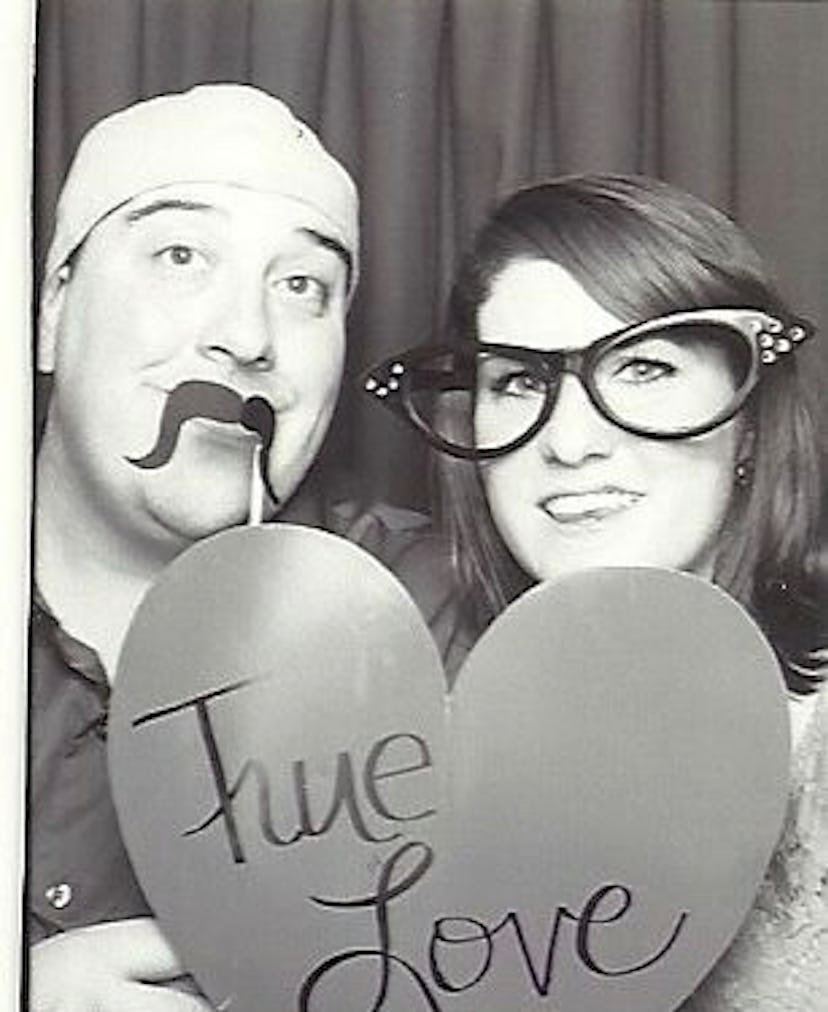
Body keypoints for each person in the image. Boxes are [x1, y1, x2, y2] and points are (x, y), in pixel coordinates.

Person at [362, 174, 828, 1007]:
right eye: (519, 383)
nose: (571, 443)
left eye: (644, 367)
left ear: (748, 419)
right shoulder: (413, 756)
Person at [28, 82, 369, 1010]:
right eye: (182, 255)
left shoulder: (423, 614)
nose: (247, 337)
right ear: (55, 307)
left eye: (302, 286)